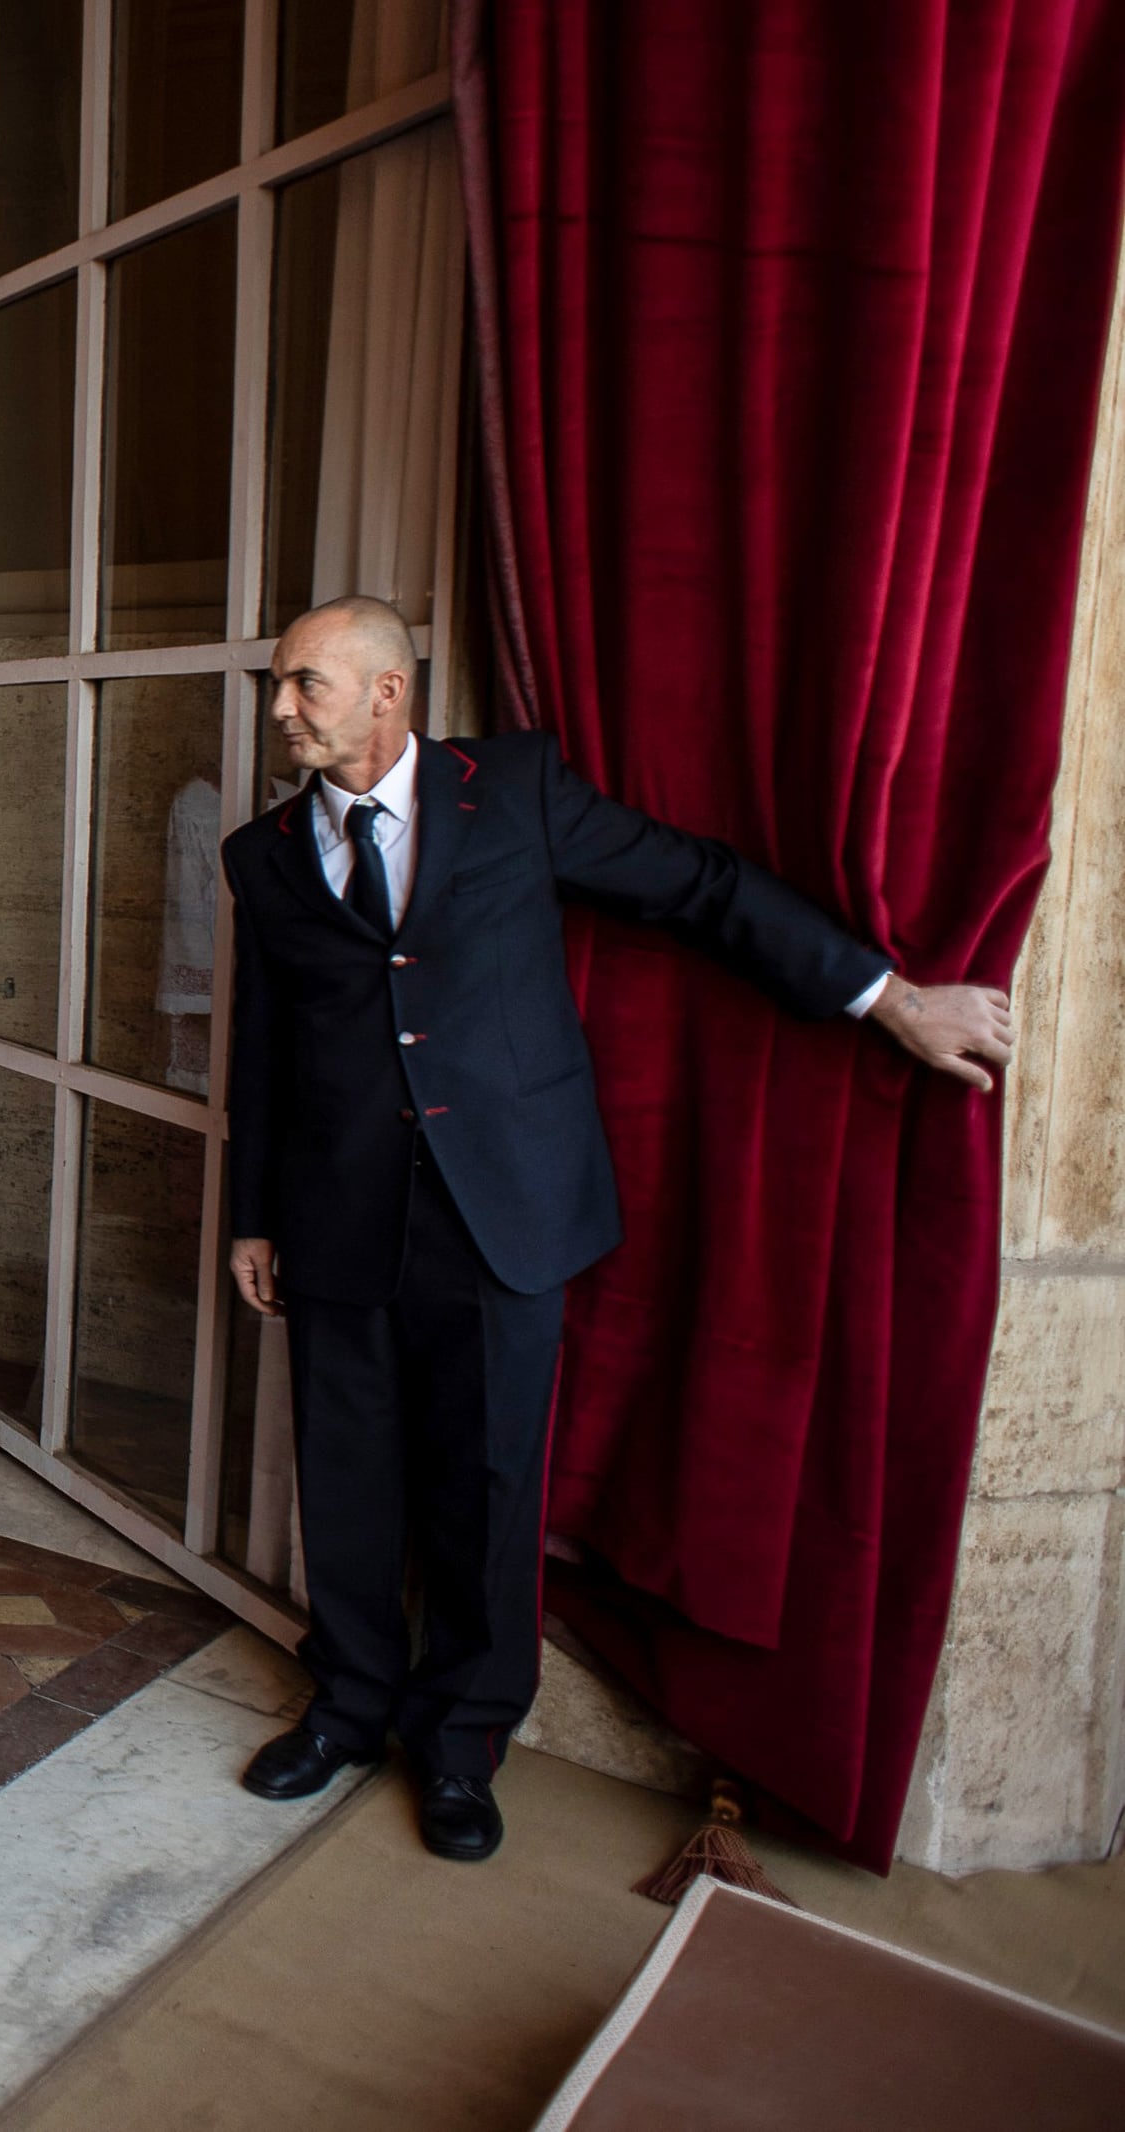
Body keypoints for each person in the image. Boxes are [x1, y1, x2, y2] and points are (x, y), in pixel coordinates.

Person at [222, 594, 1015, 1865]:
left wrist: (890, 998)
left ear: (386, 690)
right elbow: (263, 1043)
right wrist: (254, 1216)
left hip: (506, 1207)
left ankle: (463, 1741)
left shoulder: (514, 790)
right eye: (279, 682)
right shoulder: (262, 854)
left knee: (492, 1484)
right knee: (348, 1477)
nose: (278, 708)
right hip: (336, 1213)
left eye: (302, 682)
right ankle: (350, 1706)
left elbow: (699, 886)